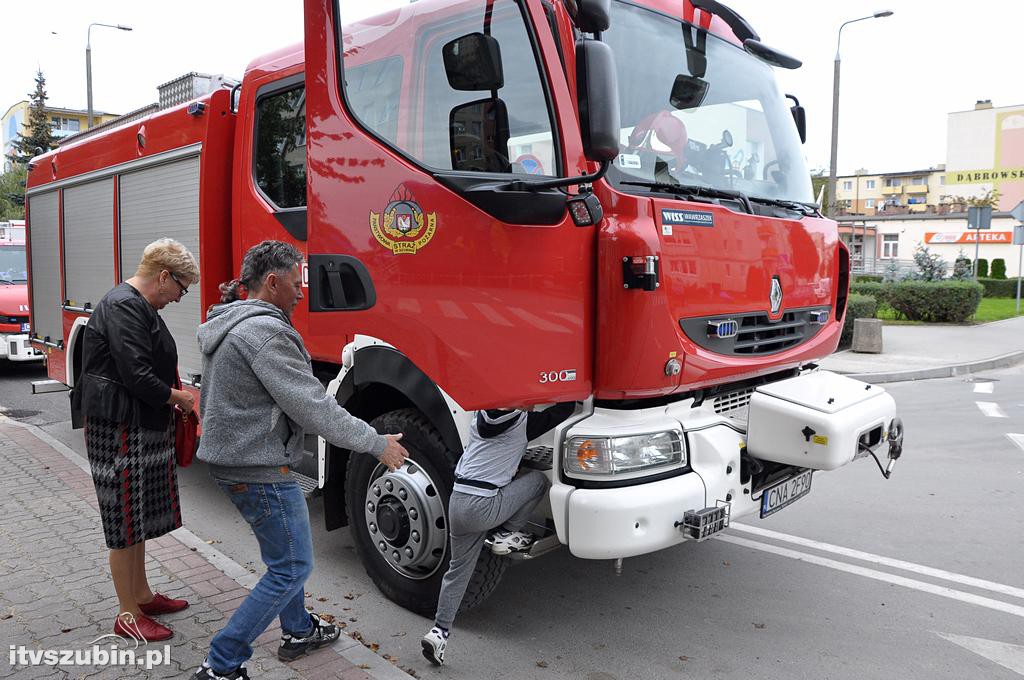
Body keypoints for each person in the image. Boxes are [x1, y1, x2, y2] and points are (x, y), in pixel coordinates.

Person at [192, 240, 408, 680]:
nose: (300, 292)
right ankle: (222, 662)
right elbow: (316, 408)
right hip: (257, 466)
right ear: (271, 283)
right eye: (295, 283)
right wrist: (376, 442)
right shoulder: (267, 333)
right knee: (292, 566)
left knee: (284, 558)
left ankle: (298, 630)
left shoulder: (231, 321)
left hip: (234, 459)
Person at [74, 238, 200, 642]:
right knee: (123, 522)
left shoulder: (135, 304)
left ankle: (142, 595)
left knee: (137, 519)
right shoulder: (125, 305)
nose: (180, 298)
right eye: (181, 288)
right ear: (163, 276)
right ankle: (127, 615)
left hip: (134, 423)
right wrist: (178, 397)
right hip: (119, 427)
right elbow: (137, 375)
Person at [421, 401, 576, 666]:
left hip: (457, 502)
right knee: (538, 481)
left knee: (457, 571)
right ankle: (506, 534)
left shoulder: (479, 417)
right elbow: (564, 409)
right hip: (483, 506)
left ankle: (439, 632)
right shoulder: (523, 422)